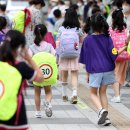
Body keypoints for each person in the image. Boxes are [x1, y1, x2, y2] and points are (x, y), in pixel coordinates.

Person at [79, 13, 127, 126]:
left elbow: (85, 59)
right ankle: (107, 118)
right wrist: (123, 48)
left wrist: (87, 74)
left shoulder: (88, 40)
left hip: (95, 70)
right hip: (108, 69)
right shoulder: (108, 38)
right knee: (103, 92)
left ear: (92, 25)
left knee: (92, 93)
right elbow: (114, 54)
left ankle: (101, 110)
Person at [0, 30, 44, 130]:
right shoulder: (20, 67)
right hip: (15, 117)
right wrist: (29, 59)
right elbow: (41, 78)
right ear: (20, 48)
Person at [56, 9, 83, 104]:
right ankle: (74, 94)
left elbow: (58, 42)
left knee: (64, 73)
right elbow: (81, 41)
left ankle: (64, 95)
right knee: (74, 74)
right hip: (75, 54)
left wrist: (57, 54)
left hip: (63, 54)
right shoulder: (78, 29)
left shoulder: (61, 29)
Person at [28, 24, 56, 118]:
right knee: (48, 91)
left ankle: (38, 112)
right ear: (45, 34)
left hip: (37, 74)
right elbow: (54, 56)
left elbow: (29, 60)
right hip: (48, 73)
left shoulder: (32, 47)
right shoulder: (49, 46)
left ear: (35, 34)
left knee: (37, 93)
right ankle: (47, 102)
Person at [109, 9, 128, 103]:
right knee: (121, 75)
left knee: (114, 75)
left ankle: (117, 96)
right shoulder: (125, 28)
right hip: (125, 54)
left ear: (113, 18)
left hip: (115, 55)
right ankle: (118, 94)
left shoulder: (110, 28)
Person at [122, 0, 130, 87]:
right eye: (124, 4)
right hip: (120, 41)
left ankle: (128, 79)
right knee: (123, 60)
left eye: (127, 4)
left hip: (129, 42)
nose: (125, 6)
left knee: (129, 62)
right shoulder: (120, 16)